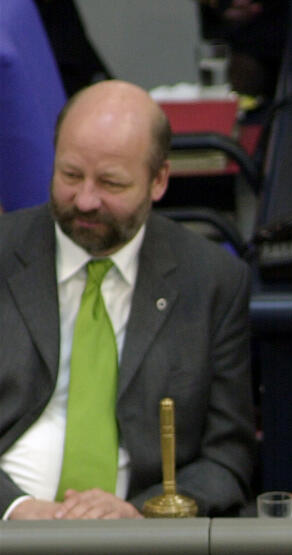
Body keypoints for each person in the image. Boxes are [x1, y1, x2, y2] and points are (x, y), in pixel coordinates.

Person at [0, 79, 256, 519]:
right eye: (70, 175)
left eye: (111, 183)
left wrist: (141, 515)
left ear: (158, 181)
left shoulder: (212, 280)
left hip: (140, 547)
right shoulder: (5, 253)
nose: (84, 200)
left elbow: (227, 460)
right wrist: (15, 508)